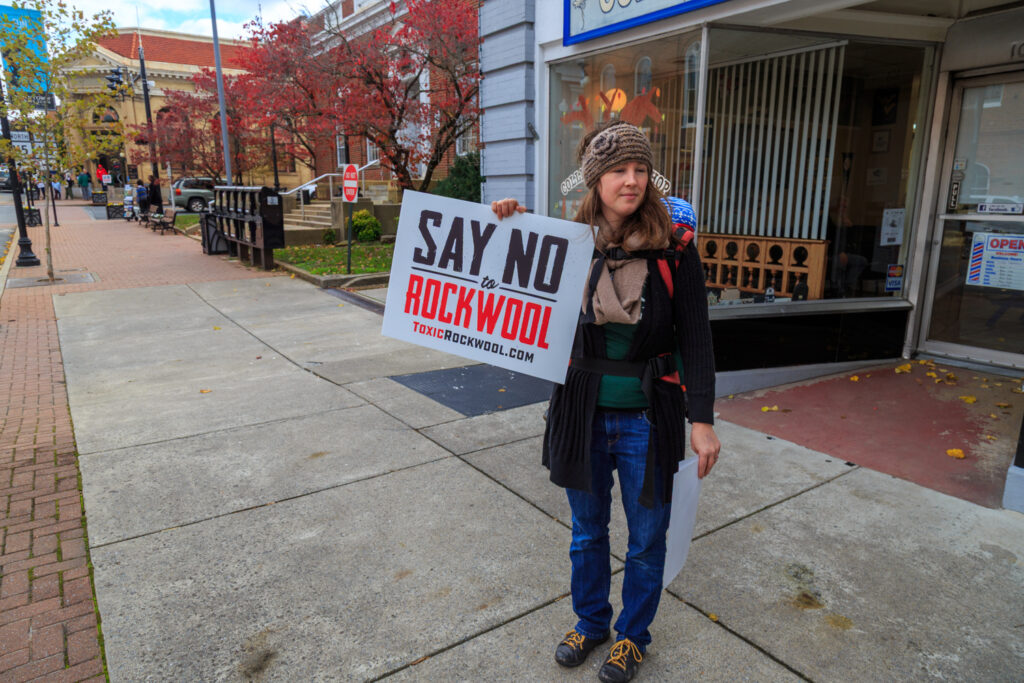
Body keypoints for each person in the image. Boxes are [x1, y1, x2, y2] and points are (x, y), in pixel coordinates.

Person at [491, 121, 720, 683]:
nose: (632, 180)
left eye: (641, 169)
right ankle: (590, 622)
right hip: (582, 413)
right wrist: (503, 225)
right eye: (618, 170)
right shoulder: (566, 246)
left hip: (648, 418)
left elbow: (697, 337)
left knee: (646, 540)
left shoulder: (676, 250)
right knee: (587, 532)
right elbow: (501, 285)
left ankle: (631, 637)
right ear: (595, 181)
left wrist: (703, 420)